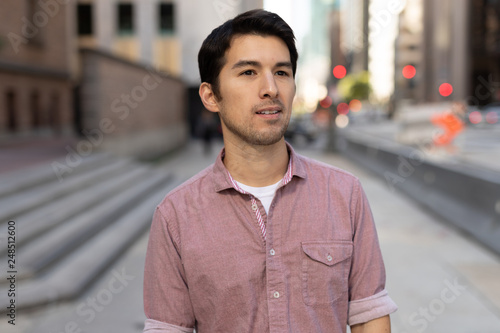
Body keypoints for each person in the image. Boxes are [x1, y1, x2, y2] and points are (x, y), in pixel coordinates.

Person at [142, 9, 397, 333]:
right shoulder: (175, 216)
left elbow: (369, 315)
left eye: (281, 72)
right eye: (248, 72)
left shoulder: (345, 194)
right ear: (210, 96)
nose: (270, 88)